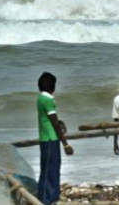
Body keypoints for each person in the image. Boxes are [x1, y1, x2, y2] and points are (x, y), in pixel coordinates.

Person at [36, 72, 74, 205]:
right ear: (53, 86)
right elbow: (54, 123)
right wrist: (66, 144)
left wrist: (59, 122)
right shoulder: (48, 100)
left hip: (46, 138)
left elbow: (52, 120)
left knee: (51, 168)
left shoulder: (41, 98)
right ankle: (47, 199)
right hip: (50, 139)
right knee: (50, 170)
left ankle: (50, 197)